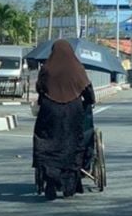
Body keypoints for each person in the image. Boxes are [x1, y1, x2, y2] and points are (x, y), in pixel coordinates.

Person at [33, 39, 96, 201]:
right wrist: (89, 101)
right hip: (72, 111)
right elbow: (88, 90)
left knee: (48, 144)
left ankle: (50, 183)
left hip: (50, 111)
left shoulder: (47, 68)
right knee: (72, 144)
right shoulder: (77, 68)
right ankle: (69, 186)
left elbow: (40, 89)